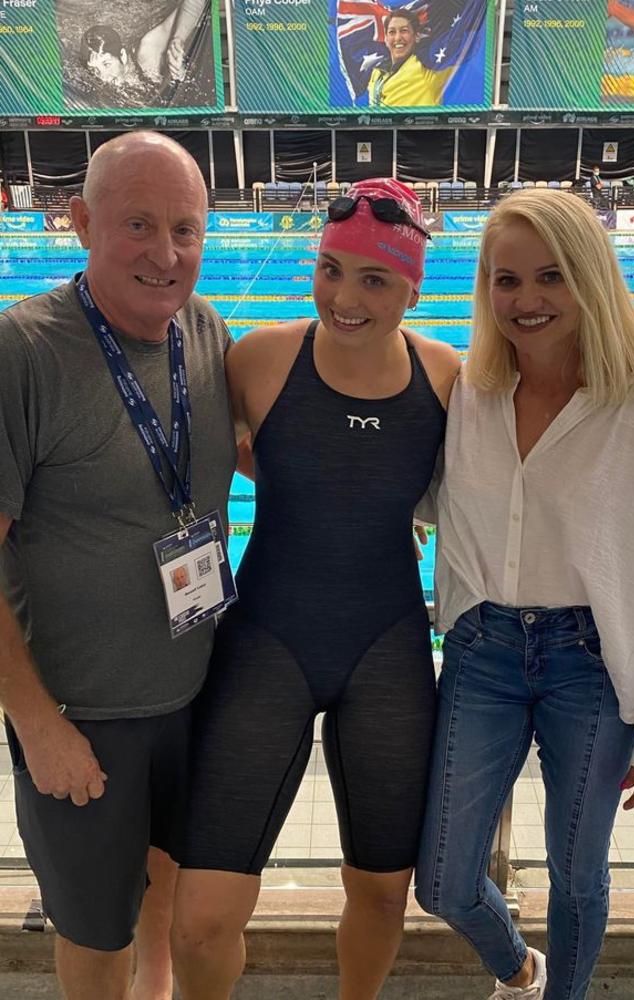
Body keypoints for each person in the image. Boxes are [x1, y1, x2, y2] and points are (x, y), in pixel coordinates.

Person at [170, 178, 460, 1000]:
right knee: (199, 918)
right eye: (331, 269)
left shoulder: (446, 380)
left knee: (379, 890)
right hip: (266, 644)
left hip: (389, 653)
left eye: (374, 279)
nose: (345, 296)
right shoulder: (257, 360)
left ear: (413, 286)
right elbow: (212, 463)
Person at [0, 131, 236, 1000]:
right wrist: (36, 723)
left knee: (167, 899)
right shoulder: (25, 353)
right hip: (81, 716)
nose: (166, 254)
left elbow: (247, 449)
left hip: (195, 695)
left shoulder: (203, 330)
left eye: (186, 227)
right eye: (139, 225)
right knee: (95, 929)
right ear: (78, 222)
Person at [415, 188, 634, 1000]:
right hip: (482, 654)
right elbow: (406, 496)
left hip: (593, 666)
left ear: (589, 276)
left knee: (577, 876)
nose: (525, 300)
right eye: (505, 280)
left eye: (549, 276)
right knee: (442, 880)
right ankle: (519, 967)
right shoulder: (469, 396)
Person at [80, 0, 206, 93]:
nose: (103, 77)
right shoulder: (102, 85)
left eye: (106, 64)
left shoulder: (148, 52)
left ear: (122, 56)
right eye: (96, 70)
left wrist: (178, 40)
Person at [368, 10, 453, 107]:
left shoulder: (427, 68)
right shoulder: (376, 73)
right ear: (386, 39)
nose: (398, 38)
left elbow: (463, 45)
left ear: (416, 36)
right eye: (392, 32)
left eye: (404, 31)